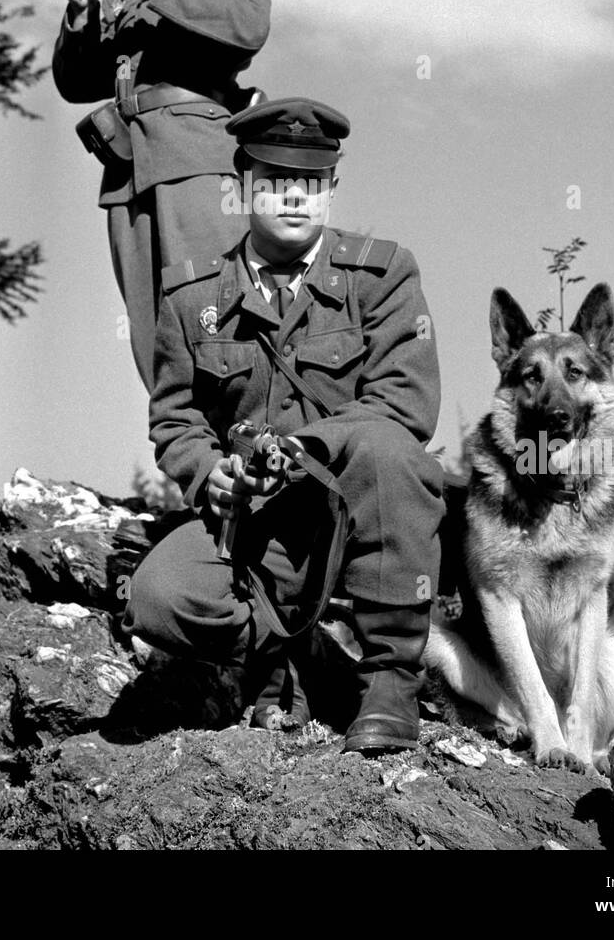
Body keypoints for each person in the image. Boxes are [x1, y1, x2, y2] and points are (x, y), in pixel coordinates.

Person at [123, 98, 445, 753]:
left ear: (332, 188)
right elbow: (175, 418)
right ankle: (288, 653)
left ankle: (388, 683)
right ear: (241, 186)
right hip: (257, 527)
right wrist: (209, 473)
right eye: (273, 180)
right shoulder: (192, 298)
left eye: (310, 182)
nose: (293, 196)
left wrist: (301, 450)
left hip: (360, 515)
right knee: (158, 597)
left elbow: (406, 405)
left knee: (387, 446)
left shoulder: (381, 277)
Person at [52, 0, 271, 387]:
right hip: (129, 177)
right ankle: (190, 462)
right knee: (152, 335)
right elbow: (76, 84)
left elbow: (246, 30)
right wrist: (81, 8)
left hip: (197, 165)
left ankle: (247, 447)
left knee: (215, 314)